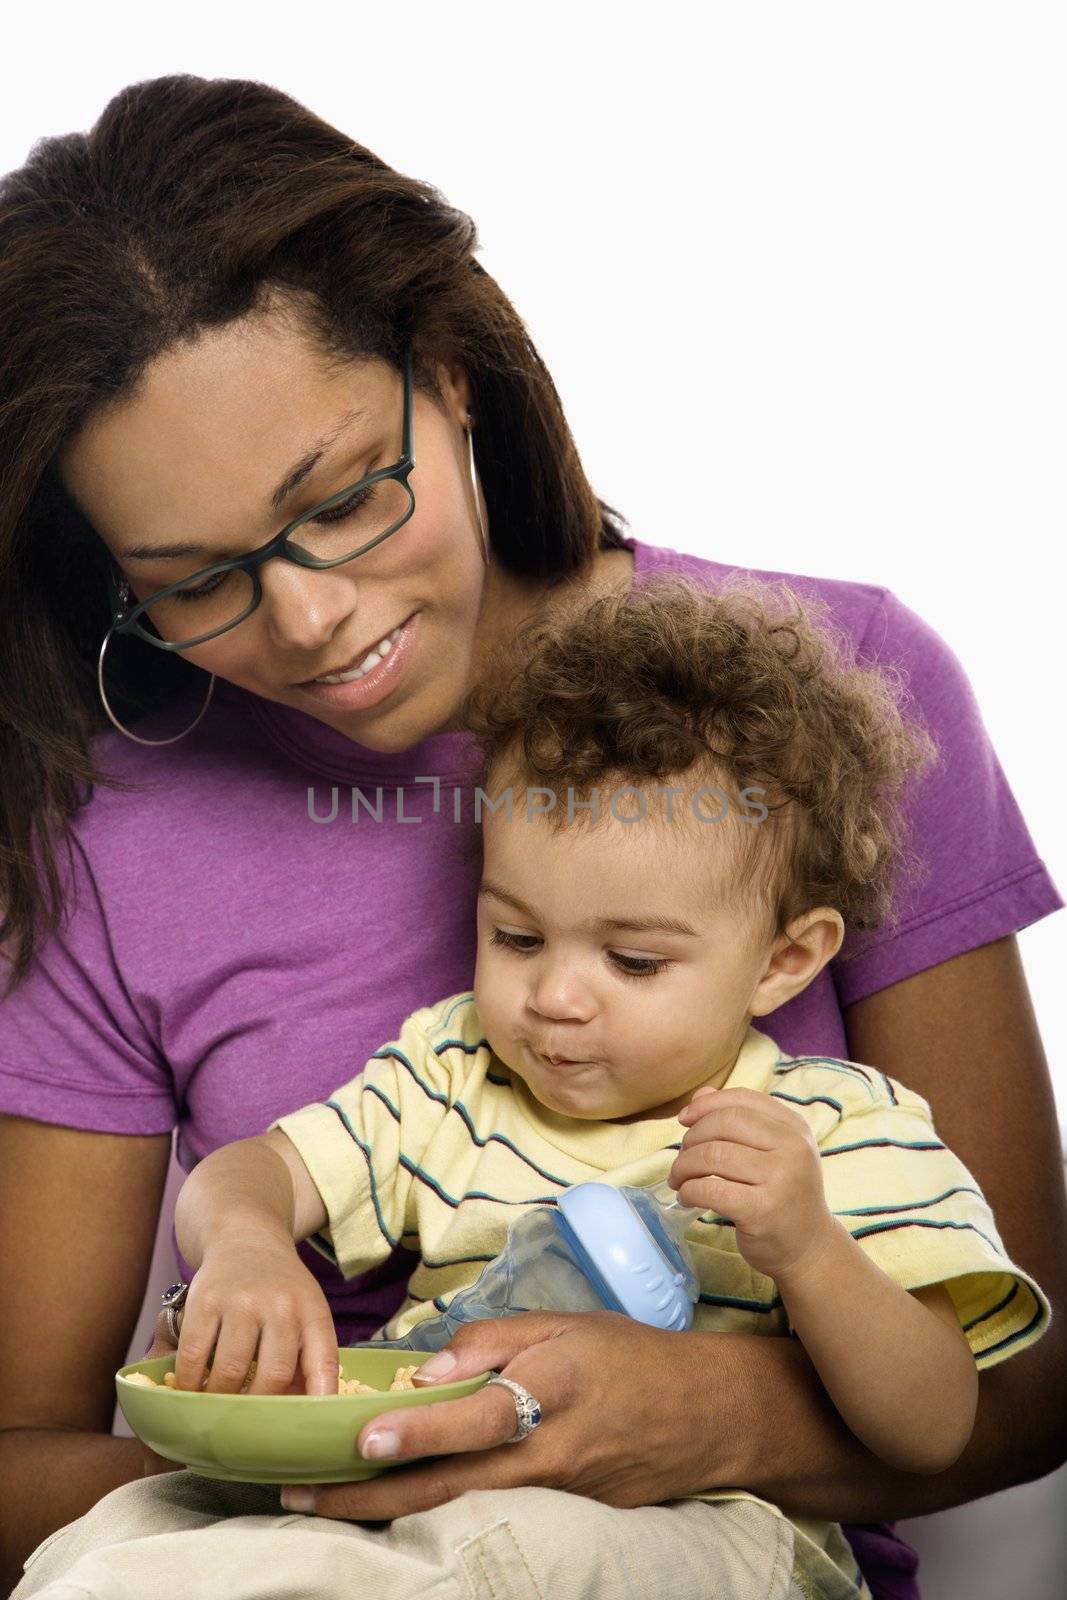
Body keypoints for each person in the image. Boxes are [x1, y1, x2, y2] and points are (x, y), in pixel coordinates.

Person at [0, 73, 1063, 1600]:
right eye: (190, 578)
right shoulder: (111, 836)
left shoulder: (848, 696)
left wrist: (696, 1419)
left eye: (345, 498)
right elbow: (23, 1450)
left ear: (450, 372)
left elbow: (1017, 1379)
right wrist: (315, 1460)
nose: (306, 620)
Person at [11, 577, 1052, 1600]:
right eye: (514, 934)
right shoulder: (452, 1077)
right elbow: (252, 1175)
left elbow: (933, 1428)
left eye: (632, 961)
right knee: (125, 1531)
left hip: (706, 1531)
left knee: (488, 1547)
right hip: (424, 1510)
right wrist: (245, 1243)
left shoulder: (830, 1130)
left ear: (785, 959)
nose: (553, 996)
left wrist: (811, 1250)